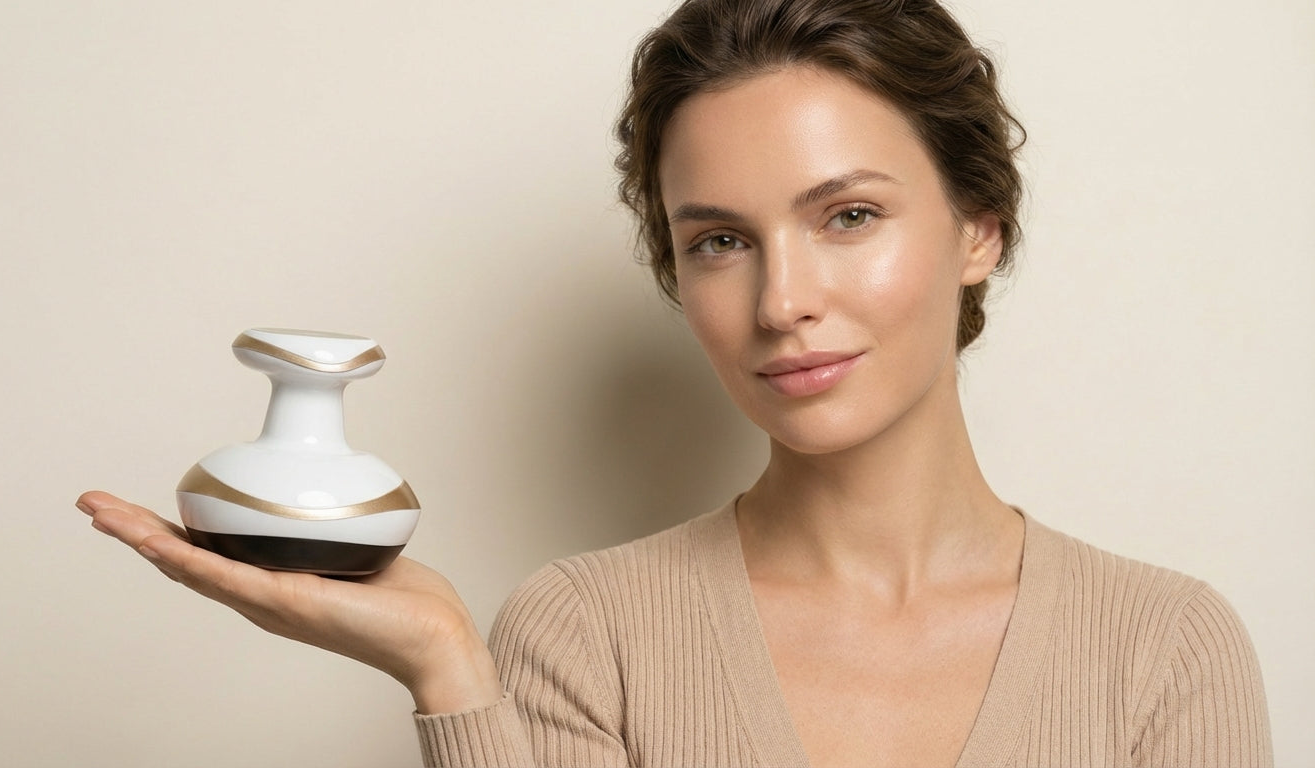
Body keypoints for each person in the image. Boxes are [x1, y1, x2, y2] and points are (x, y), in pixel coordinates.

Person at [77, 0, 1273, 765]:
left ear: (977, 230)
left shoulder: (1162, 650)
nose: (781, 299)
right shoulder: (587, 634)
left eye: (847, 216)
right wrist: (447, 669)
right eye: (718, 240)